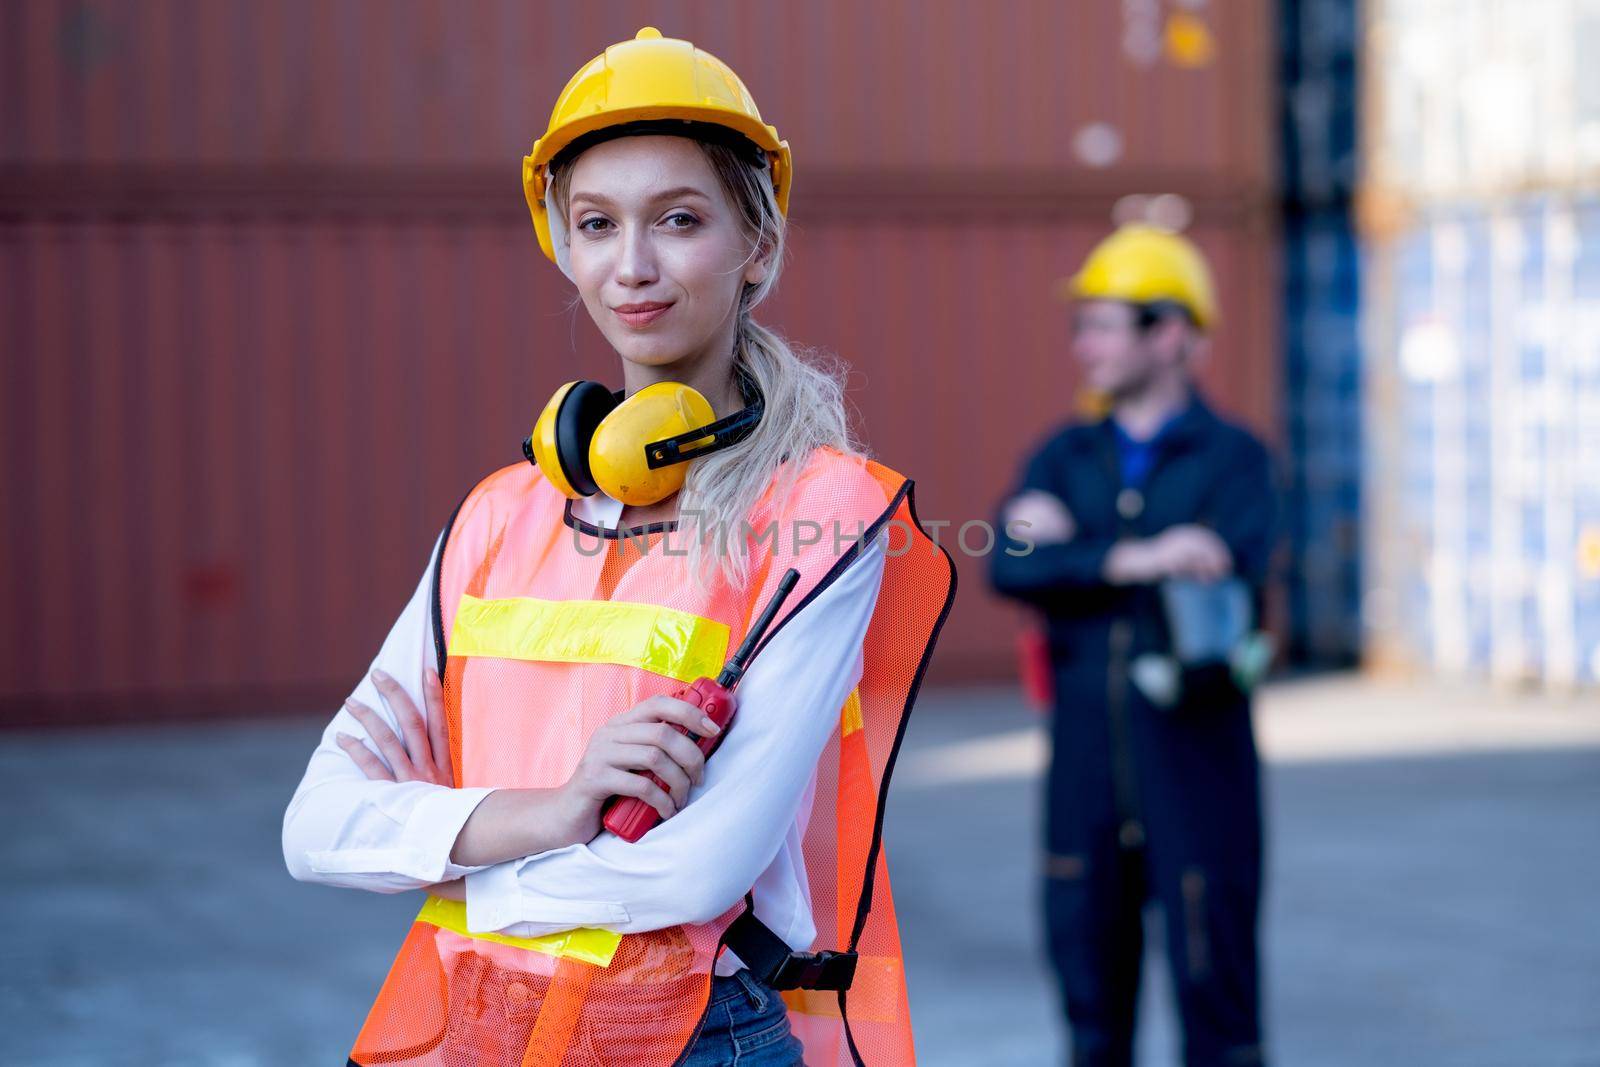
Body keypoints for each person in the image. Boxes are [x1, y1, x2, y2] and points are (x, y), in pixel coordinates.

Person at [283, 28, 954, 1067]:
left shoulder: (821, 512)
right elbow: (317, 822)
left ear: (758, 247)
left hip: (697, 1035)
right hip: (486, 1031)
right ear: (563, 245)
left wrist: (446, 868)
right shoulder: (500, 513)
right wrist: (554, 809)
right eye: (596, 224)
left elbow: (694, 872)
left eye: (678, 220)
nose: (630, 266)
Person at [989, 224, 1276, 1067]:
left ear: (1173, 333)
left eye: (1106, 324)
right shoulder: (1064, 452)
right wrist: (1142, 555)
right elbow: (1008, 563)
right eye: (1084, 325)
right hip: (1083, 779)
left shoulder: (1235, 459)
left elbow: (1238, 560)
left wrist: (1071, 552)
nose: (1085, 345)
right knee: (1091, 1027)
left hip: (1199, 774)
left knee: (1222, 1025)